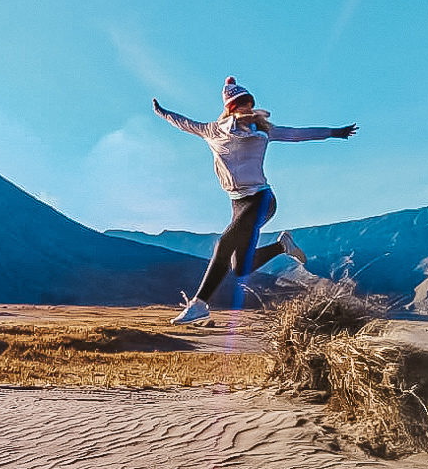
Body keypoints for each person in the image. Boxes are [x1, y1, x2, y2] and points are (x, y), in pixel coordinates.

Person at [153, 76, 357, 324]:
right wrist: (161, 111)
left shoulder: (263, 132)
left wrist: (335, 132)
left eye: (250, 104)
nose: (248, 108)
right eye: (242, 104)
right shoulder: (212, 131)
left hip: (261, 200)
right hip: (237, 204)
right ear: (230, 108)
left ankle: (199, 304)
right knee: (240, 267)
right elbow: (182, 122)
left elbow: (297, 134)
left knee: (223, 244)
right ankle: (282, 246)